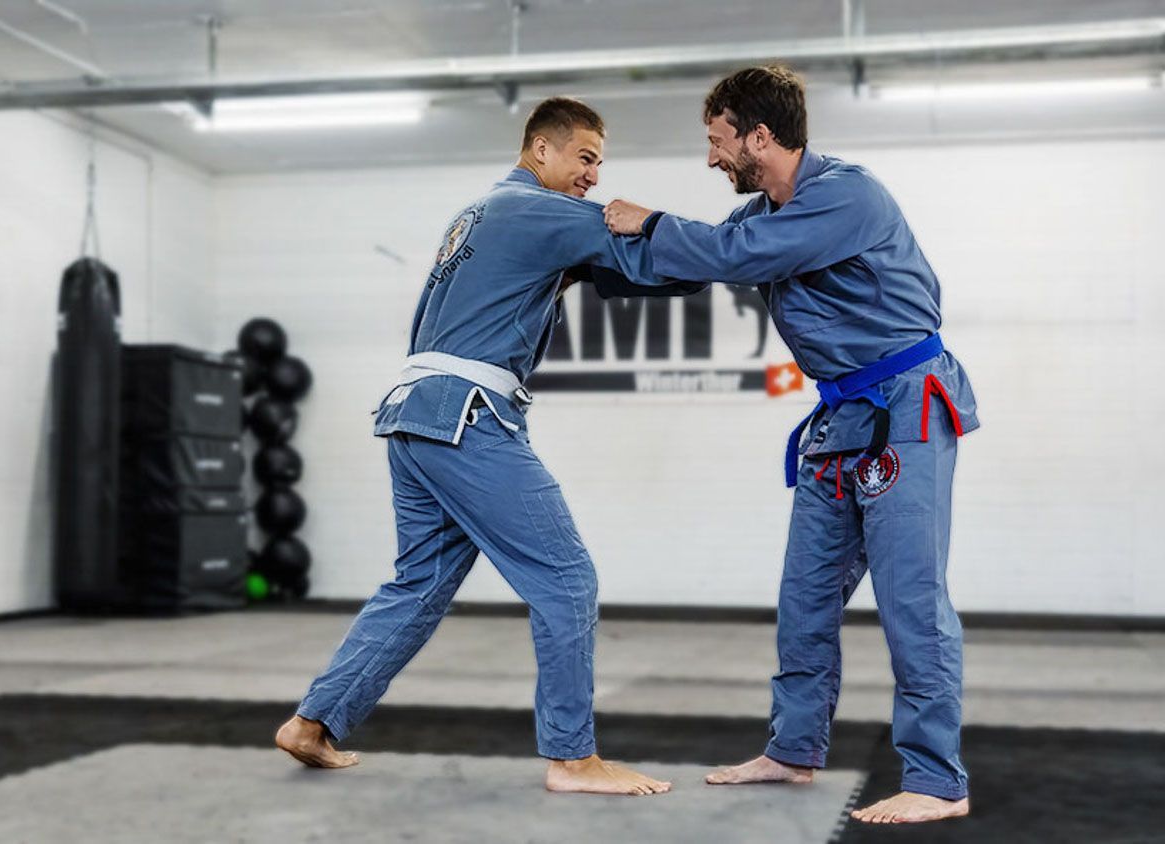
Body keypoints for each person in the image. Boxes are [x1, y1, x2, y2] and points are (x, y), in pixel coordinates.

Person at [276, 97, 694, 796]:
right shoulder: (541, 211)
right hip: (466, 417)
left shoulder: (481, 213)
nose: (593, 176)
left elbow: (640, 280)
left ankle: (312, 723)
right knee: (566, 580)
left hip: (415, 418)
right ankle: (573, 759)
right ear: (541, 150)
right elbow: (657, 252)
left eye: (599, 163)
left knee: (418, 585)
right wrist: (759, 246)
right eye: (584, 158)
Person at [603, 65, 978, 824]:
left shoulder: (847, 195)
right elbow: (697, 260)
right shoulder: (760, 216)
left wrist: (646, 220)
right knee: (804, 600)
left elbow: (731, 257)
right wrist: (570, 253)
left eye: (717, 142)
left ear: (759, 136)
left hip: (905, 407)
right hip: (839, 421)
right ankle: (794, 749)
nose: (712, 159)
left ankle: (938, 782)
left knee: (911, 602)